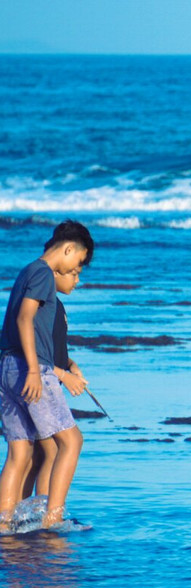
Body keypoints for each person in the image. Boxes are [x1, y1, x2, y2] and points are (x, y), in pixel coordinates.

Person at [0, 220, 93, 531]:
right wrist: (34, 371)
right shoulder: (41, 272)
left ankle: (4, 525)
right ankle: (52, 521)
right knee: (72, 441)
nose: (76, 273)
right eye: (78, 264)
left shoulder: (27, 270)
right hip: (29, 368)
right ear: (68, 250)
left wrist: (65, 366)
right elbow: (25, 319)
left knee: (21, 450)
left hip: (7, 368)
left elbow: (33, 329)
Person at [23, 266, 89, 500]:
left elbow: (54, 350)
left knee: (38, 454)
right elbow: (35, 352)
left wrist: (71, 365)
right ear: (56, 273)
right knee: (51, 450)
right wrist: (63, 375)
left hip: (50, 379)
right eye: (74, 274)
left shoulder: (57, 306)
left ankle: (27, 513)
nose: (77, 280)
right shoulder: (43, 306)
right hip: (41, 382)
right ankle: (43, 515)